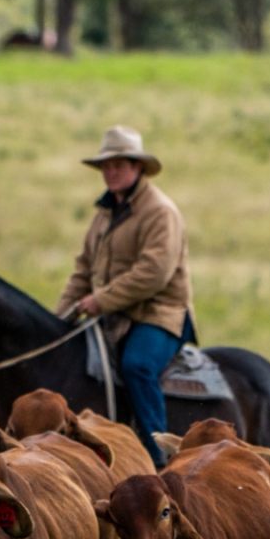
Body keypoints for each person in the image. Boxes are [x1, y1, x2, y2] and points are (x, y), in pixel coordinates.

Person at [55, 125, 195, 468]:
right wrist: (56, 321)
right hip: (115, 316)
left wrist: (99, 301)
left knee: (137, 366)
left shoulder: (160, 211)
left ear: (137, 167)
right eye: (107, 166)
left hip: (159, 314)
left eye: (119, 164)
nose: (111, 172)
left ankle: (158, 457)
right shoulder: (104, 214)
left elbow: (154, 273)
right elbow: (83, 269)